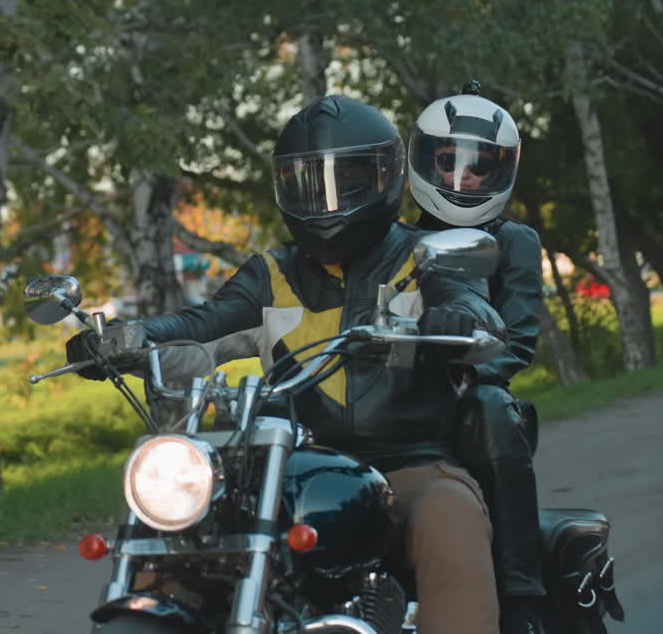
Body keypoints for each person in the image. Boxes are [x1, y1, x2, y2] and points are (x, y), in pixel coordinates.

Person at [68, 95, 507, 634]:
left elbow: (469, 302)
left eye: (347, 180)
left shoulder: (426, 256)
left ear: (387, 177)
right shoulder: (271, 275)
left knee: (448, 518)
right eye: (307, 183)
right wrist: (126, 339)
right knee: (183, 529)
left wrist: (462, 318)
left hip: (408, 463)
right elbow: (203, 327)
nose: (326, 201)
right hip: (293, 469)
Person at [409, 82, 547, 634]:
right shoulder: (393, 238)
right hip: (391, 387)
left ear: (499, 172)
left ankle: (524, 600)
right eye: (448, 161)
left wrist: (469, 374)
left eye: (478, 167)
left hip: (471, 395)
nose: (462, 177)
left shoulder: (515, 240)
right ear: (427, 160)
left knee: (492, 409)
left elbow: (517, 340)